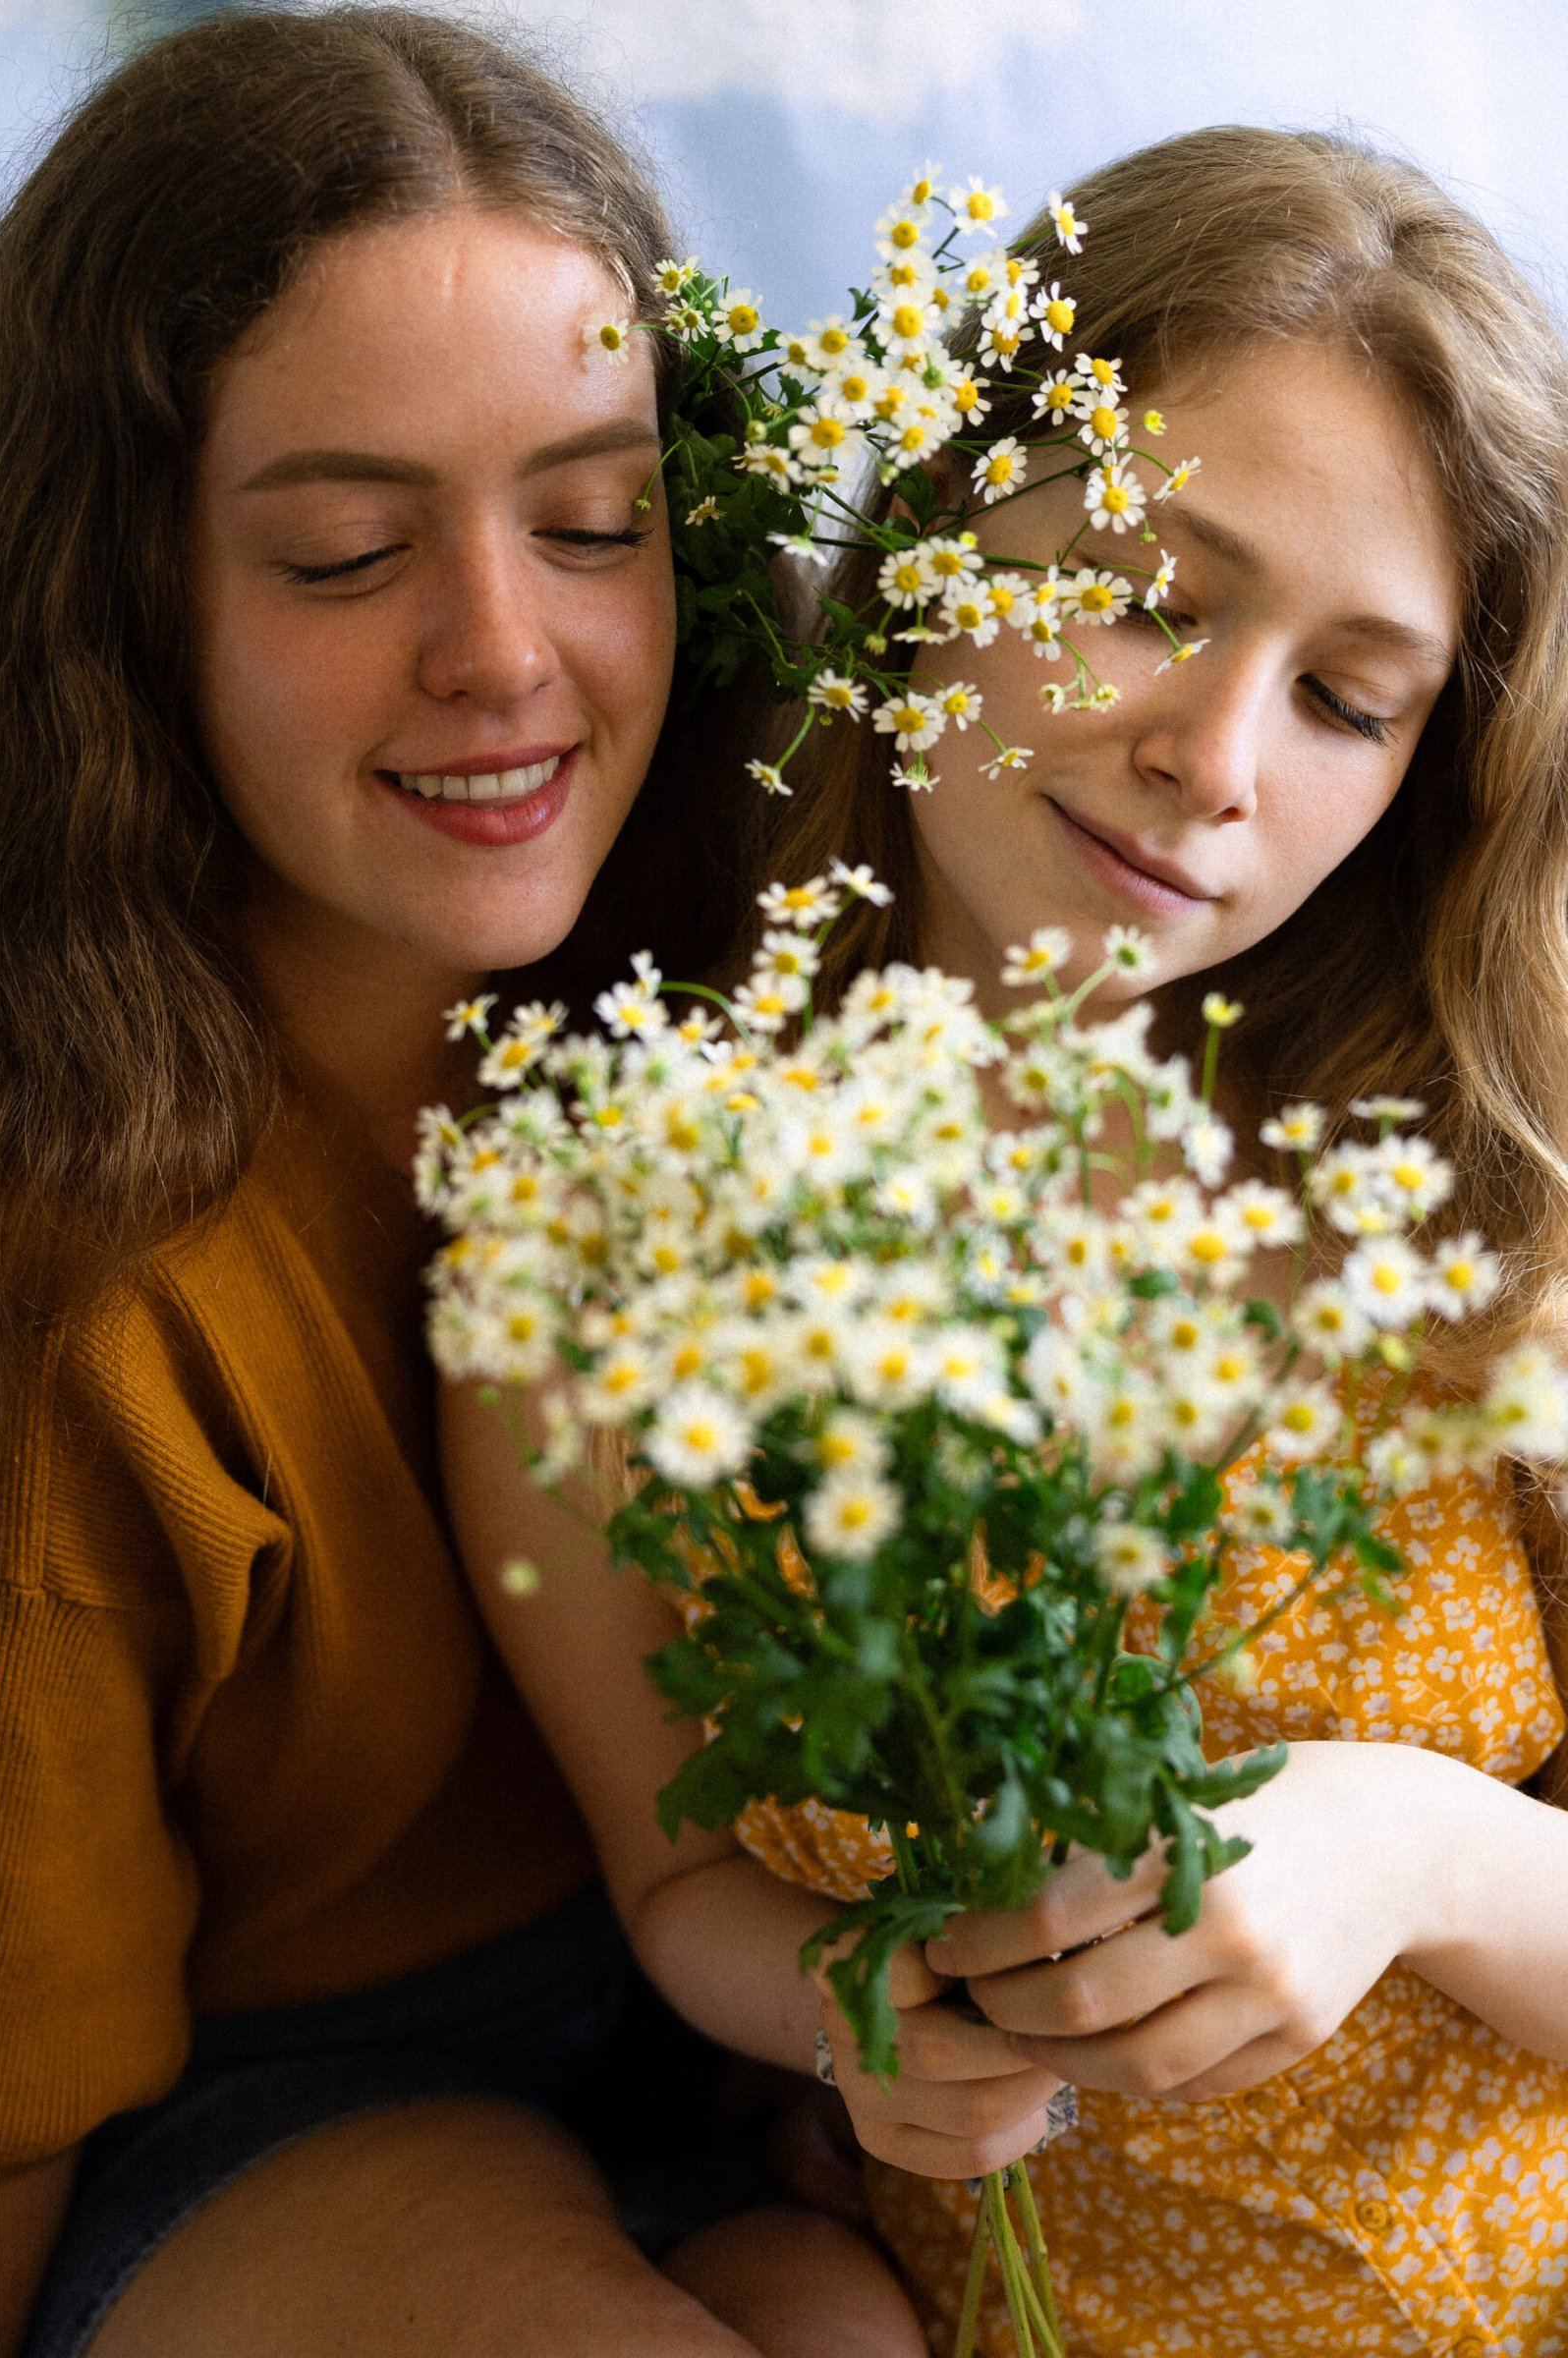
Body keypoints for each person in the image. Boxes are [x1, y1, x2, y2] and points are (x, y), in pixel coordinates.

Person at [444, 130, 1568, 2356]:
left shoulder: (1467, 1200)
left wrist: (1413, 1852)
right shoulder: (602, 1228)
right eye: (1148, 589)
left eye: (1345, 700)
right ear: (940, 538)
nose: (1210, 756)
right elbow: (680, 1884)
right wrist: (862, 2018)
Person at [0, 12, 901, 2355]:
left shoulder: (777, 990)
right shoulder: (73, 1288)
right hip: (251, 2098)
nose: (504, 653)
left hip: (737, 2001)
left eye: (594, 523)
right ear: (113, 599)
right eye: (339, 553)